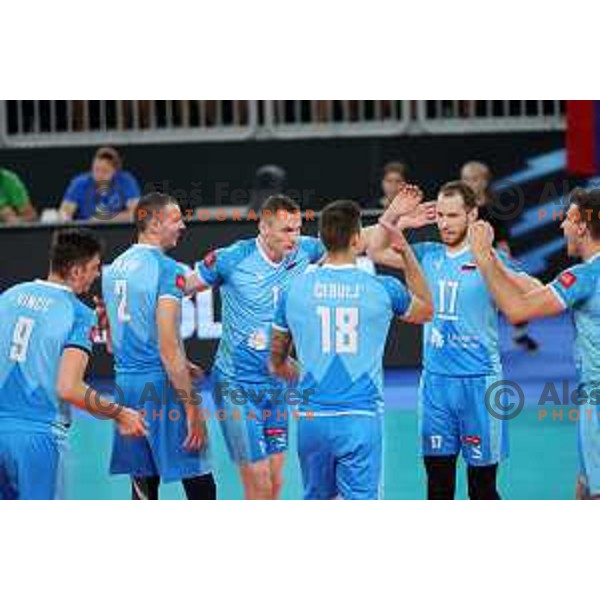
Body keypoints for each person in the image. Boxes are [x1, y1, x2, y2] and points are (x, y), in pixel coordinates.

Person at [186, 193, 418, 499]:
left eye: (297, 228)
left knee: (276, 482)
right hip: (235, 385)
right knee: (258, 480)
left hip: (276, 382)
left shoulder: (303, 250)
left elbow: (356, 238)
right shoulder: (232, 258)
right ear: (264, 228)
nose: (294, 237)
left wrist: (392, 216)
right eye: (286, 230)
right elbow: (182, 287)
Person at [370, 181, 540, 499]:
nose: (445, 224)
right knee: (437, 487)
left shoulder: (488, 258)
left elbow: (534, 290)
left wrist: (490, 261)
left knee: (483, 489)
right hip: (436, 386)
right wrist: (394, 214)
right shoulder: (426, 255)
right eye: (441, 216)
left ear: (472, 215)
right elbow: (376, 250)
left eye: (454, 215)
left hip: (480, 385)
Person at [270, 200, 432, 499]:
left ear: (321, 240)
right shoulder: (384, 289)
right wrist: (406, 253)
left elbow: (276, 363)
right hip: (361, 418)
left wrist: (307, 377)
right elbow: (426, 309)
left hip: (312, 420)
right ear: (357, 239)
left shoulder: (292, 291)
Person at [468, 188, 600, 500]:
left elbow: (518, 309)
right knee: (585, 485)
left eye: (568, 219)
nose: (562, 227)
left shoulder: (585, 276)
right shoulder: (584, 278)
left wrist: (484, 259)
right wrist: (500, 262)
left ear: (582, 226)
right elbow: (537, 290)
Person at [0, 229, 146, 500]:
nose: (98, 274)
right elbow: (68, 388)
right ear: (76, 271)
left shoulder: (9, 297)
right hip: (39, 438)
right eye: (94, 267)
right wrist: (120, 413)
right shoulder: (79, 314)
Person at [103, 193, 214, 500]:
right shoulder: (168, 270)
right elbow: (167, 346)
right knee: (198, 479)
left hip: (126, 386)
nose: (182, 226)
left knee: (143, 484)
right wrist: (192, 407)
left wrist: (180, 360)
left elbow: (114, 342)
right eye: (176, 219)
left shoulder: (114, 269)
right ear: (153, 223)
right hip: (161, 387)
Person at [461, 160, 539, 353]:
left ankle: (520, 334)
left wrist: (507, 265)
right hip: (464, 262)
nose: (469, 183)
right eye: (465, 179)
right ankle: (472, 343)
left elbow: (502, 239)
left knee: (511, 295)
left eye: (474, 179)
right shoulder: (457, 206)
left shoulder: (495, 207)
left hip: (491, 261)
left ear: (485, 181)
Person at [59, 147, 141, 222]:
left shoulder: (126, 181)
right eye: (96, 169)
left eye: (105, 171)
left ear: (115, 171)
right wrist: (66, 220)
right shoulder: (79, 183)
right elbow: (65, 212)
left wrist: (104, 219)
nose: (99, 175)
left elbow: (136, 213)